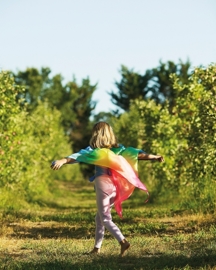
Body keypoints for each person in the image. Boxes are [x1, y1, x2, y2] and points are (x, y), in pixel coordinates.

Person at [51, 122, 164, 256]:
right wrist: (155, 157)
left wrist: (62, 161)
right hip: (115, 186)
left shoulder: (94, 150)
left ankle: (123, 242)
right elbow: (137, 154)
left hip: (103, 184)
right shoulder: (118, 149)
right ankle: (96, 248)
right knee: (99, 217)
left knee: (105, 218)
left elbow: (77, 156)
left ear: (96, 135)